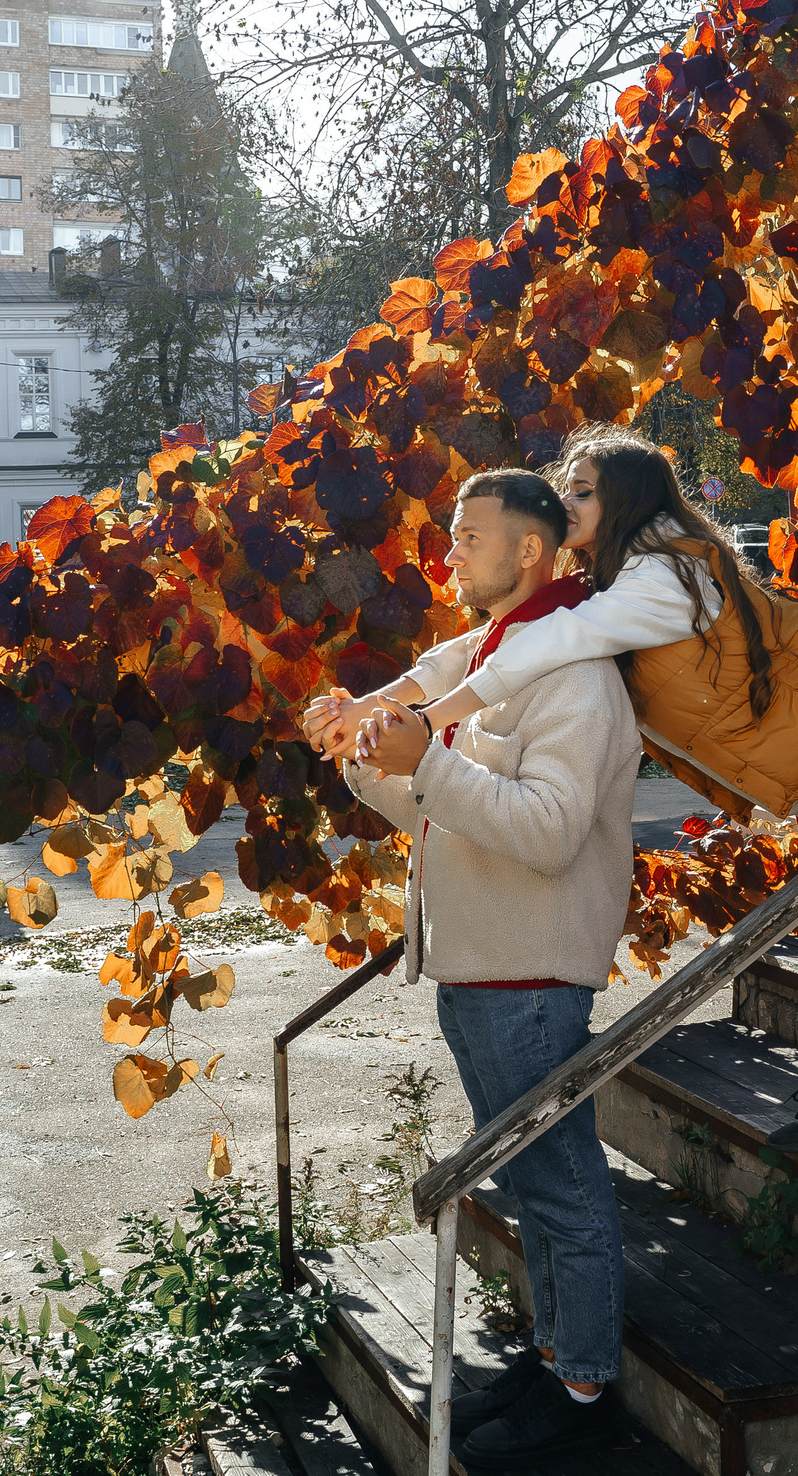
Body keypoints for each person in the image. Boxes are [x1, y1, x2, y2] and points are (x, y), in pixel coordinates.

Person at [310, 425, 798, 1182]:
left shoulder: (661, 577)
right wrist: (372, 704)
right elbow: (477, 648)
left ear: (626, 499)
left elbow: (534, 650)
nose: (564, 501)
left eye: (582, 491)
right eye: (562, 487)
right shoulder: (609, 576)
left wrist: (423, 727)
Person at [328, 467, 644, 1471]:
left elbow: (549, 833)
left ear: (531, 554)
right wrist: (356, 749)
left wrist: (427, 759)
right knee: (532, 1184)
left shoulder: (574, 675)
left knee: (560, 1184)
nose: (450, 552)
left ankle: (586, 1384)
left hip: (531, 976)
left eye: (470, 536)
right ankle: (555, 1355)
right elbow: (433, 810)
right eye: (452, 534)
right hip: (479, 969)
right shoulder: (486, 658)